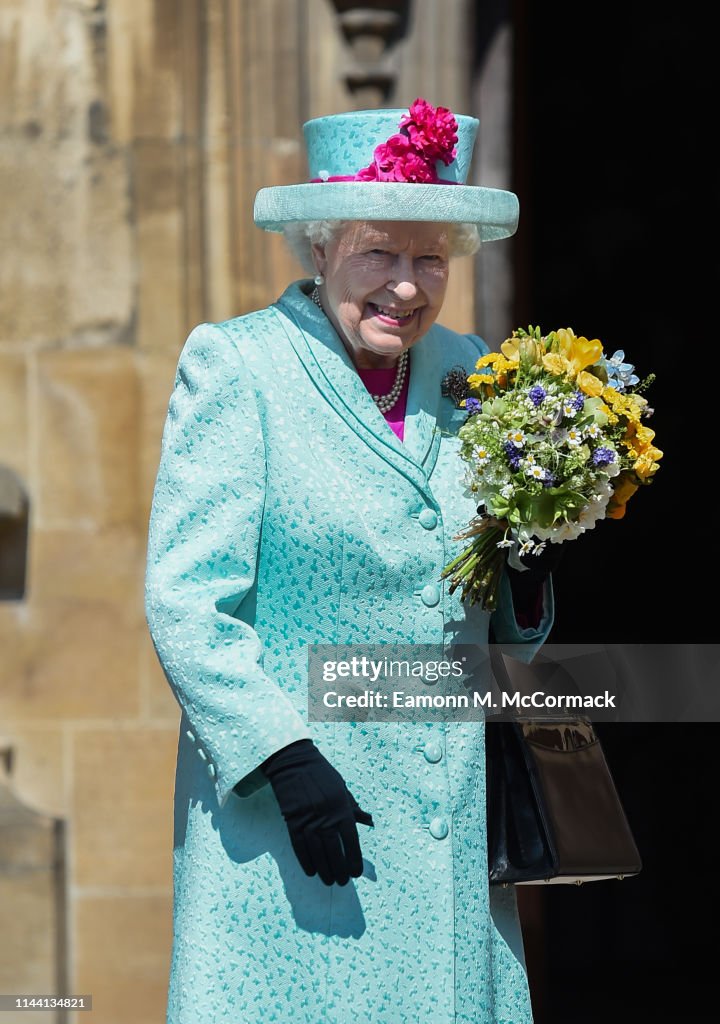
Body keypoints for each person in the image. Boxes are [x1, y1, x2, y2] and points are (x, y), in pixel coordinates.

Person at [145, 99, 555, 1024]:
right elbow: (186, 600)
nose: (405, 288)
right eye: (379, 252)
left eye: (430, 259)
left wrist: (526, 579)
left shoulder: (471, 372)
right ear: (320, 247)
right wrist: (283, 758)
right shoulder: (238, 367)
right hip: (296, 823)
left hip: (445, 814)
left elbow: (496, 625)